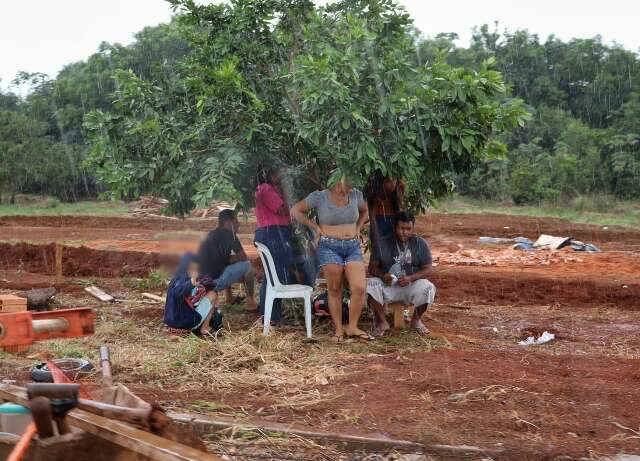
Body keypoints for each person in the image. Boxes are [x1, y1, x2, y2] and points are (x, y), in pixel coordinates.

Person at [291, 177, 373, 343]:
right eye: (348, 181)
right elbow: (295, 210)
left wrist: (358, 228)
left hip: (352, 246)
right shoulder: (319, 197)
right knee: (335, 288)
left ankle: (352, 327)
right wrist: (315, 227)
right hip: (329, 246)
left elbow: (366, 210)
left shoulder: (356, 194)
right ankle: (338, 330)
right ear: (338, 179)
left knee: (359, 287)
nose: (352, 185)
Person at [366, 211, 436, 337]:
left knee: (428, 287)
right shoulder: (382, 243)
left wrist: (411, 278)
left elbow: (428, 269)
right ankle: (382, 322)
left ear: (413, 227)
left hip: (411, 285)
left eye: (409, 229)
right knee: (371, 284)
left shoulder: (420, 243)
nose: (405, 232)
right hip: (389, 285)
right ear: (394, 227)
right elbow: (372, 268)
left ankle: (416, 320)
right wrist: (383, 276)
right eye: (401, 228)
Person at [254, 167, 295, 323]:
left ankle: (271, 315)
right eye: (278, 172)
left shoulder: (267, 189)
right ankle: (270, 317)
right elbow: (283, 210)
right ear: (269, 173)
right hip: (273, 234)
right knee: (274, 277)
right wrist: (286, 192)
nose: (281, 175)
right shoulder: (265, 189)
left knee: (272, 276)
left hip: (274, 233)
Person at [198, 209, 256, 308]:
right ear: (229, 223)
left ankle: (229, 298)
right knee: (247, 266)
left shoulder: (211, 234)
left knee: (226, 265)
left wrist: (229, 260)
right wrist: (232, 259)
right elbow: (243, 257)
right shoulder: (230, 235)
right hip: (214, 283)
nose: (238, 224)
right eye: (236, 221)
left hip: (201, 283)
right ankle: (251, 303)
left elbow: (221, 260)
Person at [164, 253, 222, 335]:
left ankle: (202, 323)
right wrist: (191, 283)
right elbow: (176, 292)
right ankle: (204, 328)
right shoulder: (186, 279)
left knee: (207, 292)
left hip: (172, 322)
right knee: (213, 294)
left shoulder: (177, 276)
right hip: (184, 324)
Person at [363, 172, 405, 252]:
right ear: (382, 181)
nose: (392, 183)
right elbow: (372, 216)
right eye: (389, 181)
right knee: (378, 251)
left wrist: (399, 231)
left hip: (393, 219)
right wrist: (375, 241)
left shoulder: (400, 186)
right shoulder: (372, 189)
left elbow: (398, 211)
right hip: (377, 220)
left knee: (395, 251)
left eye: (394, 180)